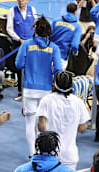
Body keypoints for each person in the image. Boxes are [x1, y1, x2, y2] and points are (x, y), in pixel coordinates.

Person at [15, 16, 62, 156]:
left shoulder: (27, 44)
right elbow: (59, 69)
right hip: (46, 90)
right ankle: (45, 151)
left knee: (30, 123)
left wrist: (29, 64)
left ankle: (32, 154)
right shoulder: (54, 48)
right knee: (44, 122)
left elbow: (18, 64)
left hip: (29, 88)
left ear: (35, 29)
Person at [36, 70, 91, 170]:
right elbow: (83, 128)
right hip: (70, 156)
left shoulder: (46, 100)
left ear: (54, 83)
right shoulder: (78, 102)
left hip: (50, 154)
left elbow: (41, 127)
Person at [7, 0, 38, 101]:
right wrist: (19, 39)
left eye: (23, 0)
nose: (21, 2)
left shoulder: (32, 10)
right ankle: (21, 91)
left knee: (31, 67)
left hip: (31, 44)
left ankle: (31, 90)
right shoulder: (12, 11)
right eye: (19, 0)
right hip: (18, 44)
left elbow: (36, 25)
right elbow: (9, 29)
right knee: (20, 67)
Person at [52, 3, 82, 69]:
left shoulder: (55, 21)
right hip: (62, 56)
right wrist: (75, 52)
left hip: (49, 53)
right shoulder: (77, 27)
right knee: (58, 77)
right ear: (76, 12)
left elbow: (47, 35)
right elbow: (74, 44)